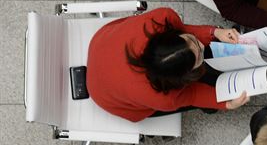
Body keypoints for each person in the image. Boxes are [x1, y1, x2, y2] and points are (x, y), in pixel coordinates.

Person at [86, 7, 250, 122]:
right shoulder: (163, 98)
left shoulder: (161, 19)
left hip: (103, 45)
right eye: (199, 55)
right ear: (182, 77)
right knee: (207, 87)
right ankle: (210, 102)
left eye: (192, 39)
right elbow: (191, 95)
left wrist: (214, 32)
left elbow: (184, 29)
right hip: (107, 97)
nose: (201, 45)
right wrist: (225, 103)